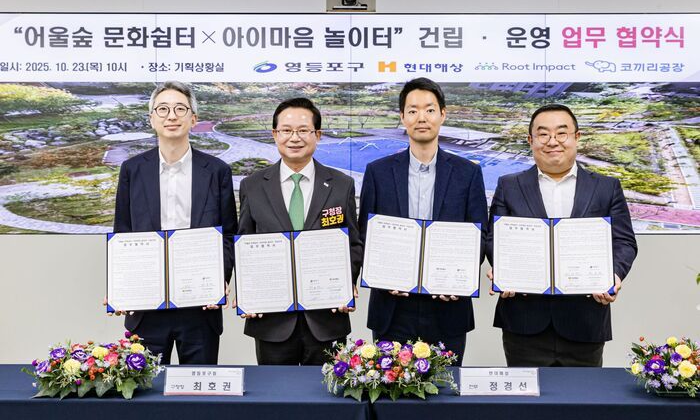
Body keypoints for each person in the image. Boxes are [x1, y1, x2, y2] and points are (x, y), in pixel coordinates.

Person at [486, 103, 638, 367]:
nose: (552, 141)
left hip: (585, 320)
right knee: (526, 394)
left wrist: (613, 275)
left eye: (561, 133)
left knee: (582, 394)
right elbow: (493, 239)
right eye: (543, 134)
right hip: (523, 320)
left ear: (576, 137)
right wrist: (503, 268)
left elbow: (624, 242)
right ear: (531, 141)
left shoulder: (606, 187)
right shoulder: (509, 186)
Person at [358, 77, 488, 361]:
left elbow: (480, 235)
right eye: (413, 110)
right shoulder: (378, 172)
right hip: (392, 306)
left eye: (429, 110)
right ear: (402, 117)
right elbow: (366, 234)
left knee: (446, 387)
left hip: (448, 305)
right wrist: (381, 274)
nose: (421, 117)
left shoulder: (468, 173)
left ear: (443, 114)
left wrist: (459, 278)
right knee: (390, 386)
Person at [111, 80, 237, 365]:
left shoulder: (217, 171)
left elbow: (228, 235)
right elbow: (123, 235)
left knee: (200, 386)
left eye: (180, 109)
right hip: (147, 306)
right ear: (152, 118)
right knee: (145, 387)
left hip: (200, 306)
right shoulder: (132, 170)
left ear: (193, 119)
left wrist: (219, 280)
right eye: (163, 109)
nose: (171, 116)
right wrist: (121, 286)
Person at [236, 97, 362, 365]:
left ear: (318, 134)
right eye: (286, 130)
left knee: (327, 389)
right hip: (272, 320)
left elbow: (353, 243)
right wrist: (249, 291)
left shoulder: (341, 185)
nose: (295, 138)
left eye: (303, 130)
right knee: (275, 391)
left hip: (327, 317)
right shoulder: (252, 186)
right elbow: (244, 243)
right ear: (275, 134)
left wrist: (344, 284)